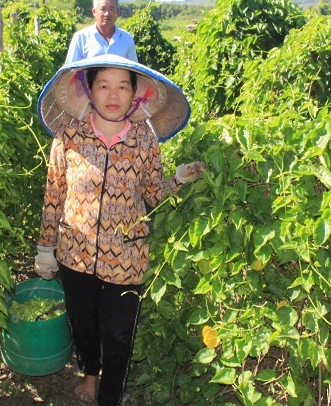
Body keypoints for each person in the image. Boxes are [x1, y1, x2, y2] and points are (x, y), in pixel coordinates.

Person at [34, 55, 204, 405]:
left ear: (135, 95)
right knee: (82, 322)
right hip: (75, 253)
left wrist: (179, 178)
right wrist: (45, 248)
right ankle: (90, 373)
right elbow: (54, 194)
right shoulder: (69, 137)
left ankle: (109, 397)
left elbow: (154, 194)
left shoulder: (144, 141)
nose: (113, 95)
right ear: (89, 91)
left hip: (127, 257)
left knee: (118, 334)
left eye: (123, 87)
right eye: (104, 85)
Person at [64, 0, 137, 64]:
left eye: (111, 9)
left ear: (118, 12)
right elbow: (71, 68)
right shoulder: (81, 37)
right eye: (102, 9)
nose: (107, 14)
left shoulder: (127, 38)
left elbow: (133, 68)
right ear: (94, 12)